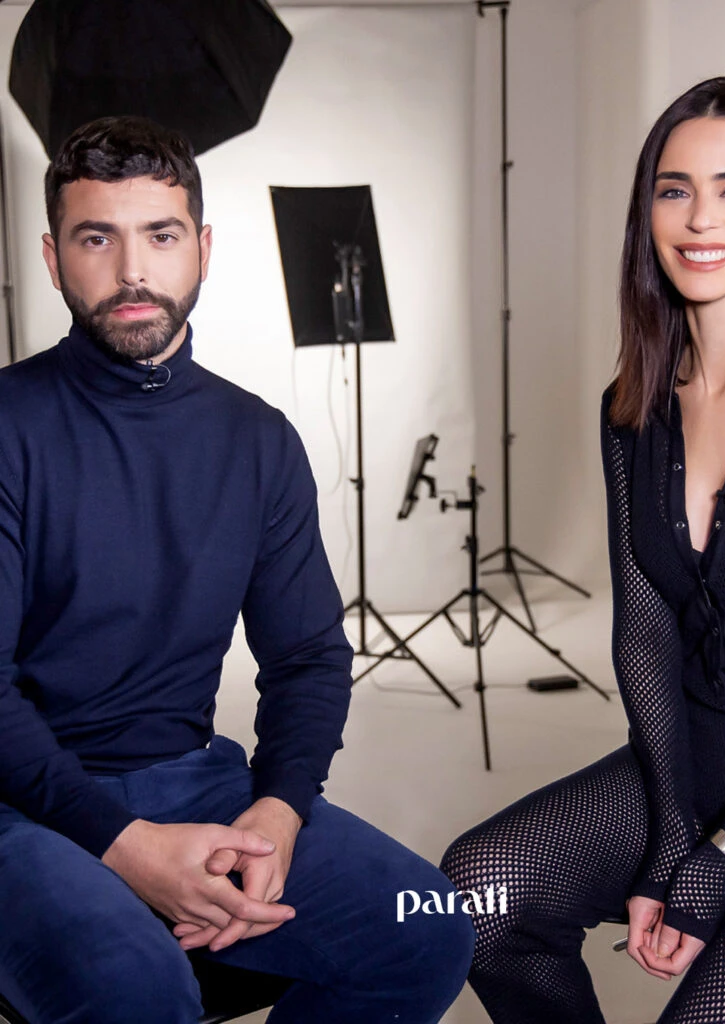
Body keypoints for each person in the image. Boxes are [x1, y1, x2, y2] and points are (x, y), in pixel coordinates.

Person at [0, 115, 474, 1024]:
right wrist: (124, 843)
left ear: (203, 249)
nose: (132, 270)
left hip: (192, 778)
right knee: (137, 988)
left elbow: (308, 658)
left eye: (160, 235)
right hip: (20, 803)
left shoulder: (257, 440)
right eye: (96, 238)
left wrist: (278, 810)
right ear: (54, 259)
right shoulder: (9, 426)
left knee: (429, 927)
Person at [441, 75, 725, 1023]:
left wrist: (724, 853)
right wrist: (672, 829)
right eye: (673, 189)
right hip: (707, 753)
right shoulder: (633, 402)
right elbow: (644, 625)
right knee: (478, 894)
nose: (700, 218)